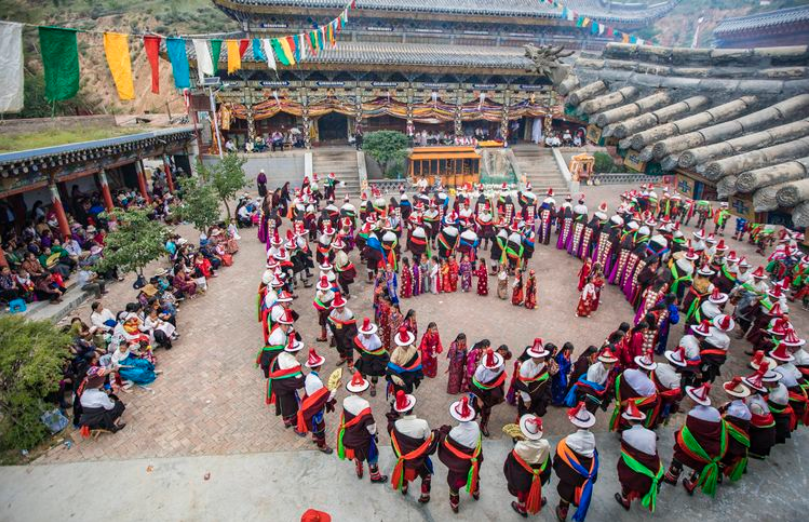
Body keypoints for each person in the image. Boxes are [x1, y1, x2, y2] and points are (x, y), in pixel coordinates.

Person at [663, 383, 726, 496]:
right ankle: (692, 482)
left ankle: (673, 475)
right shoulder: (715, 412)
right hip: (710, 449)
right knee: (701, 464)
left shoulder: (693, 414)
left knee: (680, 446)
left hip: (695, 448)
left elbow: (689, 433)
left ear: (695, 401)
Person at [337, 371, 388, 483]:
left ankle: (359, 470)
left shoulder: (345, 401)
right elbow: (370, 427)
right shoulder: (364, 404)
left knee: (357, 455)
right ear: (362, 390)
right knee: (372, 456)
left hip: (350, 436)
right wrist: (374, 433)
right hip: (363, 439)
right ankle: (375, 476)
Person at [388, 390, 437, 503]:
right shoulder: (423, 424)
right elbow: (428, 439)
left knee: (404, 471)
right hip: (420, 459)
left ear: (400, 411)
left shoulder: (396, 424)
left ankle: (404, 487)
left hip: (404, 458)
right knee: (427, 474)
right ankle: (425, 495)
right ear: (412, 407)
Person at [553, 402, 599, 522]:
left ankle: (563, 512)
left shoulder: (568, 441)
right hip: (585, 477)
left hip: (570, 477)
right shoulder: (592, 438)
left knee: (566, 493)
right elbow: (594, 454)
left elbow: (559, 458)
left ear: (575, 423)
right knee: (575, 490)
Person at [437, 396, 484, 514]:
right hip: (475, 461)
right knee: (474, 476)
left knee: (455, 483)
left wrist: (443, 432)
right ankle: (476, 492)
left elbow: (446, 442)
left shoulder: (455, 433)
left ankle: (455, 504)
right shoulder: (475, 426)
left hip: (461, 466)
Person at [614, 403, 663, 513]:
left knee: (624, 467)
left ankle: (625, 501)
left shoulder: (626, 433)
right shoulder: (652, 434)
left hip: (634, 472)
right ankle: (642, 494)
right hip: (652, 469)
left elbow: (625, 452)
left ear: (629, 421)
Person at [503, 415, 552, 517]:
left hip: (523, 478)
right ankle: (536, 501)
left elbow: (511, 464)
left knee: (522, 491)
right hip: (539, 476)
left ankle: (522, 508)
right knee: (535, 488)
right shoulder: (546, 444)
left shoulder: (519, 447)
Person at [297, 348, 336, 454]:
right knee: (320, 427)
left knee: (314, 424)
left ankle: (314, 436)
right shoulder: (317, 382)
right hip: (315, 407)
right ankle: (322, 445)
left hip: (309, 403)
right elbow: (326, 398)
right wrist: (334, 389)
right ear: (319, 366)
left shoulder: (309, 377)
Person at [268, 336, 306, 433]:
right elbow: (299, 381)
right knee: (291, 408)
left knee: (282, 404)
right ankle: (295, 426)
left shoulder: (281, 355)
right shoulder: (294, 363)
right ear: (297, 351)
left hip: (277, 385)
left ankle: (286, 421)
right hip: (286, 389)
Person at [470, 348, 507, 437]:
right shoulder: (481, 370)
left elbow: (501, 380)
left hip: (491, 393)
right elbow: (474, 385)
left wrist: (502, 393)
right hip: (479, 391)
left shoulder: (502, 366)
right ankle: (470, 426)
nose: (495, 369)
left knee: (487, 411)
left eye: (496, 366)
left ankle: (483, 426)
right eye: (492, 368)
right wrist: (479, 400)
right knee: (474, 410)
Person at [514, 339, 553, 419]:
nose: (544, 358)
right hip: (527, 394)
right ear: (536, 358)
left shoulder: (542, 364)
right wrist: (526, 399)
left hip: (537, 394)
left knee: (532, 411)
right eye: (542, 357)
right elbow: (522, 385)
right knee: (524, 413)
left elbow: (545, 378)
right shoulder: (525, 367)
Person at [353, 318, 389, 397]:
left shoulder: (376, 341)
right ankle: (363, 382)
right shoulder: (360, 336)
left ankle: (373, 386)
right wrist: (359, 353)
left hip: (373, 360)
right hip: (363, 358)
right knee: (361, 371)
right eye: (364, 333)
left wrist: (377, 365)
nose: (366, 335)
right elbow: (357, 344)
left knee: (374, 374)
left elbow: (380, 353)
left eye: (368, 334)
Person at [386, 326, 424, 397]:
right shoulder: (395, 354)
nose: (406, 346)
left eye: (407, 344)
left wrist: (418, 374)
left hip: (410, 375)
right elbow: (392, 370)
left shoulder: (413, 349)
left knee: (409, 390)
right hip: (400, 376)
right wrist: (397, 380)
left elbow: (416, 362)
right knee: (399, 393)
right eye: (404, 345)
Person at [328, 293, 358, 370]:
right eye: (338, 308)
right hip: (337, 334)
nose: (340, 309)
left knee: (349, 350)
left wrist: (347, 337)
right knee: (339, 347)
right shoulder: (332, 313)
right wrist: (331, 333)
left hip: (346, 335)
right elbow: (329, 323)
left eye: (342, 307)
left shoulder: (348, 314)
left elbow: (353, 328)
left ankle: (350, 364)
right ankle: (343, 358)